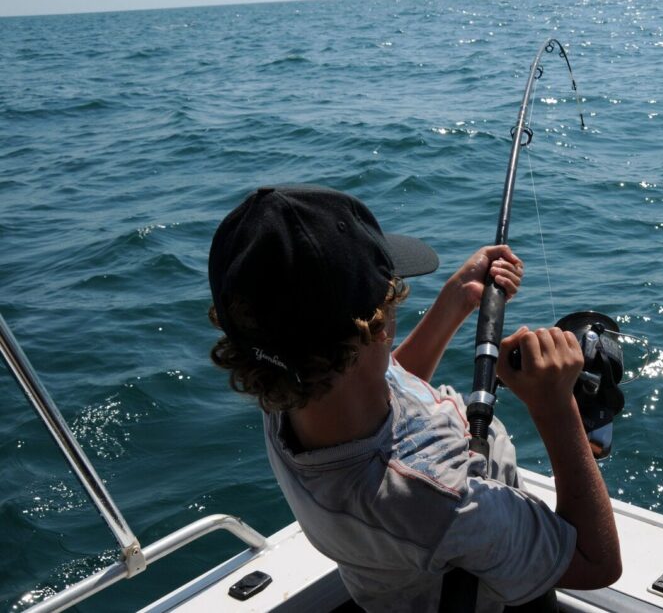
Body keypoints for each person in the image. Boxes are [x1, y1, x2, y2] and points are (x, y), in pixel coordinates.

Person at [207, 185, 620, 612]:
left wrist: (457, 300)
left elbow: (382, 387)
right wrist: (555, 407)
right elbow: (596, 563)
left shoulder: (286, 388)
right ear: (378, 327)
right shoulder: (438, 502)